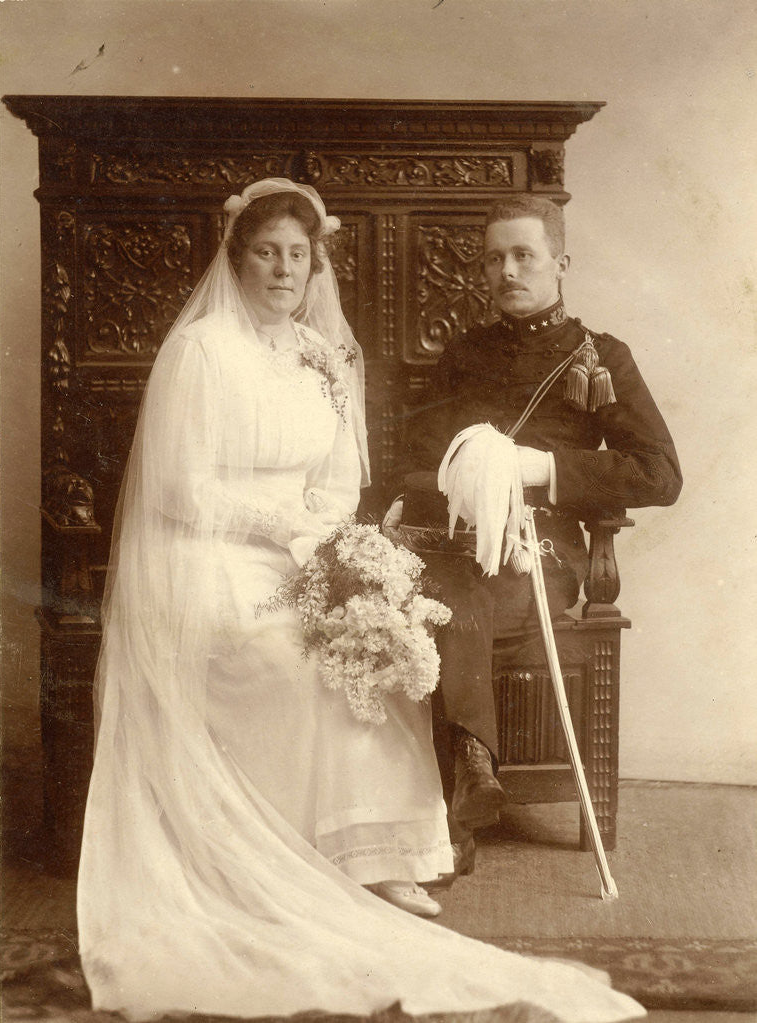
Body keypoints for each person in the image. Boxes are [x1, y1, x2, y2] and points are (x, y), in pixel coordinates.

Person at [77, 179, 644, 1022]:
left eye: (297, 256)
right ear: (237, 258)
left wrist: (510, 476)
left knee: (377, 645)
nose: (282, 270)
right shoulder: (201, 352)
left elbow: (345, 478)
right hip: (210, 553)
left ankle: (380, 853)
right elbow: (182, 490)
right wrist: (309, 530)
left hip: (382, 546)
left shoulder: (328, 355)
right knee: (308, 651)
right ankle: (313, 852)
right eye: (265, 252)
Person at [384, 195, 682, 864]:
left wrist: (543, 467)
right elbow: (417, 454)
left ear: (559, 262)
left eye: (523, 255)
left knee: (461, 598)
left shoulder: (600, 356)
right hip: (457, 540)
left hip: (540, 550)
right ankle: (469, 771)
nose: (507, 271)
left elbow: (659, 474)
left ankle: (459, 791)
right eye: (494, 258)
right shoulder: (464, 352)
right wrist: (442, 483)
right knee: (439, 591)